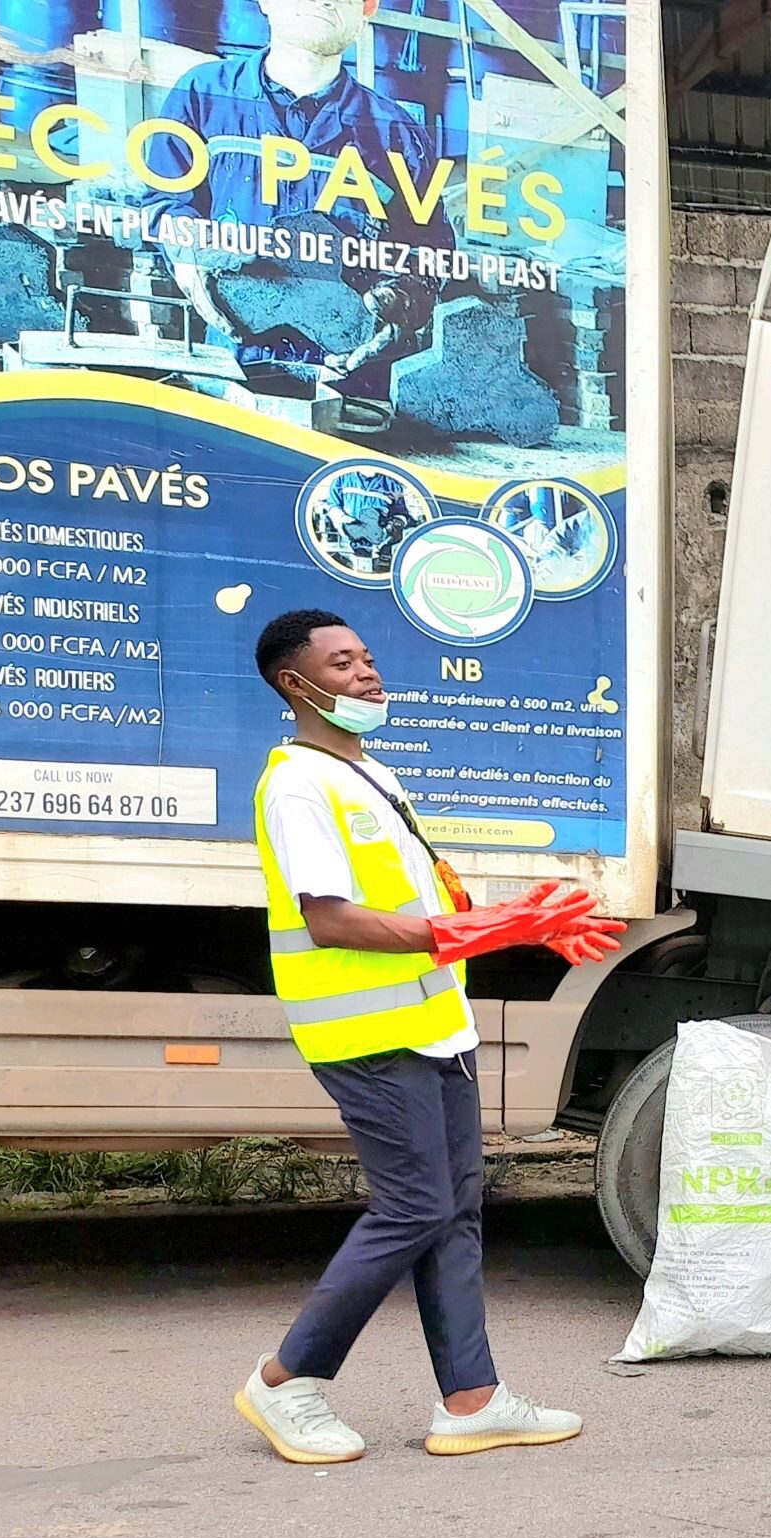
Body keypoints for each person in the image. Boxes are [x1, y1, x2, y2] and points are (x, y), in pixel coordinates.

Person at [236, 610, 616, 1466]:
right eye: (342, 664)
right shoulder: (299, 784)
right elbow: (331, 919)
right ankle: (284, 1380)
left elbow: (427, 905)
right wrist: (486, 932)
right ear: (295, 685)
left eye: (366, 658)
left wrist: (520, 923)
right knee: (414, 1206)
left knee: (455, 1210)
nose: (367, 673)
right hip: (365, 1033)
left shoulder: (371, 775)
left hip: (434, 1024)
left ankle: (472, 1400)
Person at [146, 0, 450, 384]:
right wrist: (190, 256)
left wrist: (405, 299)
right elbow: (165, 205)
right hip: (231, 366)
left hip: (349, 378)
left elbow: (429, 252)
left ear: (366, 12)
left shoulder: (398, 134)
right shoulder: (204, 96)